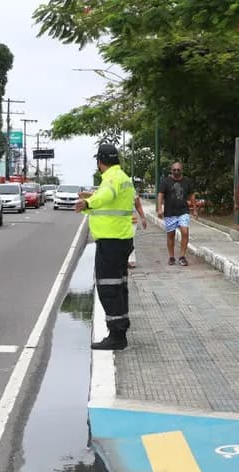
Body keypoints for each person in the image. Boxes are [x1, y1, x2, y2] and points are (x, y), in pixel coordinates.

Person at [75, 143, 136, 350]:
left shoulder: (111, 179)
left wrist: (89, 203)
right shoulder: (124, 178)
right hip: (121, 240)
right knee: (119, 287)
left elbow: (107, 196)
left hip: (111, 242)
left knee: (109, 287)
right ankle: (119, 330)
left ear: (99, 161)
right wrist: (90, 200)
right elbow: (111, 202)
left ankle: (117, 335)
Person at [157, 162, 195, 266]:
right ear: (171, 170)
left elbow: (192, 195)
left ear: (181, 170)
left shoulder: (187, 181)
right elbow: (160, 195)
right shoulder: (166, 182)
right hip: (170, 212)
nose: (176, 171)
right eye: (174, 170)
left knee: (185, 232)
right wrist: (159, 208)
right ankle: (171, 256)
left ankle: (182, 256)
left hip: (183, 211)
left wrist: (194, 209)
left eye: (178, 169)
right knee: (171, 235)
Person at [128, 195, 148, 268]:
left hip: (131, 221)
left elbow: (138, 206)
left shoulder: (132, 191)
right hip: (118, 221)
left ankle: (131, 260)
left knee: (130, 240)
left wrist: (143, 218)